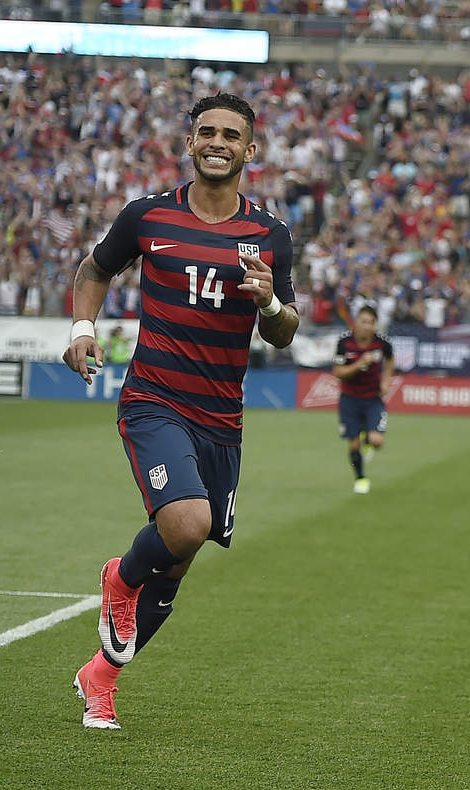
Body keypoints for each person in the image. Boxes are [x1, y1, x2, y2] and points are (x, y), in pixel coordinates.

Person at [61, 93, 300, 730]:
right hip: (154, 401)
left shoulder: (269, 235)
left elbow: (284, 332)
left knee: (178, 562)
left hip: (222, 419)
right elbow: (95, 266)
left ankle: (101, 679)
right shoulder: (146, 217)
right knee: (187, 523)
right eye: (206, 132)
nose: (217, 142)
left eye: (231, 134)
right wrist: (84, 326)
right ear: (189, 144)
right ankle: (119, 577)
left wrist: (270, 303)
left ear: (251, 150)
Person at [331, 304, 393, 494]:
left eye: (371, 323)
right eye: (363, 321)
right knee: (354, 444)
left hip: (373, 398)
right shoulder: (344, 342)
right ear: (356, 322)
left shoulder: (382, 343)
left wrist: (385, 382)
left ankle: (368, 434)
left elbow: (390, 360)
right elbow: (338, 372)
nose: (366, 326)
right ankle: (361, 478)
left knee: (376, 441)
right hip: (349, 399)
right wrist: (359, 364)